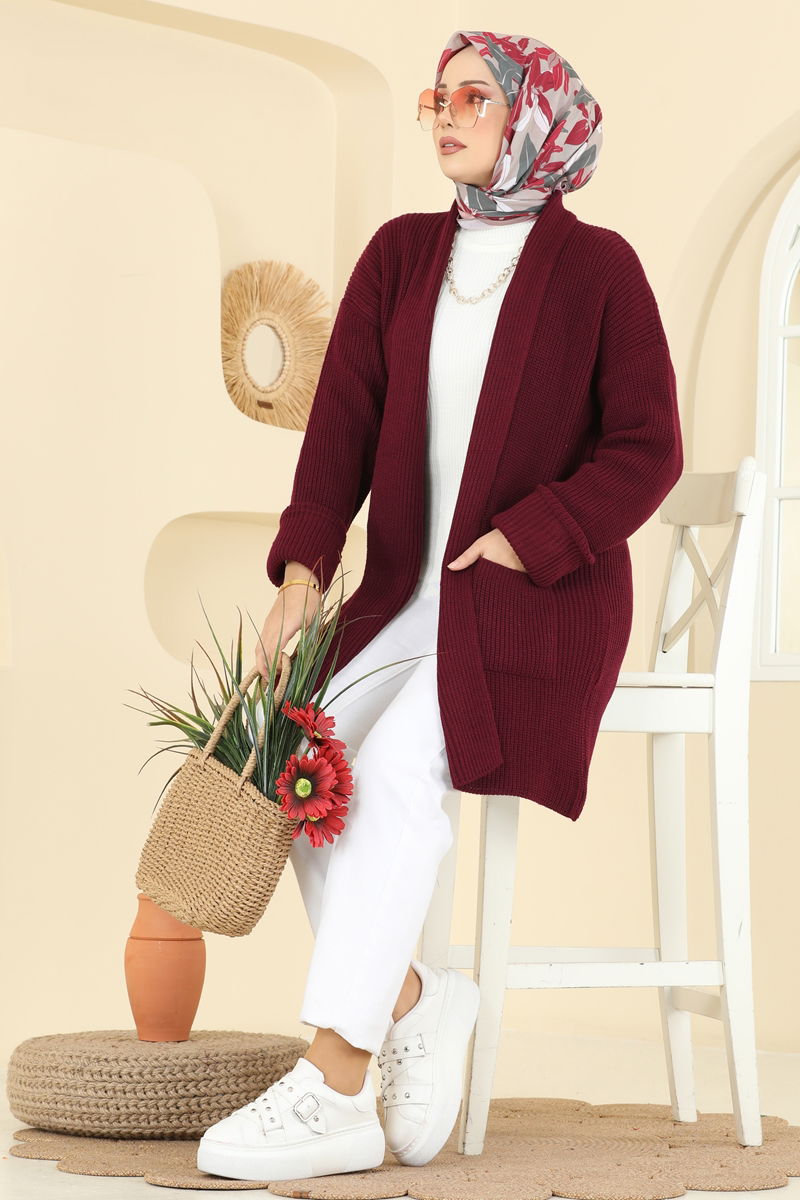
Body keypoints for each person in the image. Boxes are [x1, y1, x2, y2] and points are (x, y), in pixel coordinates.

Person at [197, 29, 652, 1185]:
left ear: (532, 119)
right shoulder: (400, 256)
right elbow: (339, 430)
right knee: (301, 764)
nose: (443, 115)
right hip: (404, 598)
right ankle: (412, 1000)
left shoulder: (597, 271)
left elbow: (646, 448)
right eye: (434, 97)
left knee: (394, 769)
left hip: (531, 608)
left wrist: (527, 537)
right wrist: (302, 578)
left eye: (471, 98)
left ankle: (333, 1081)